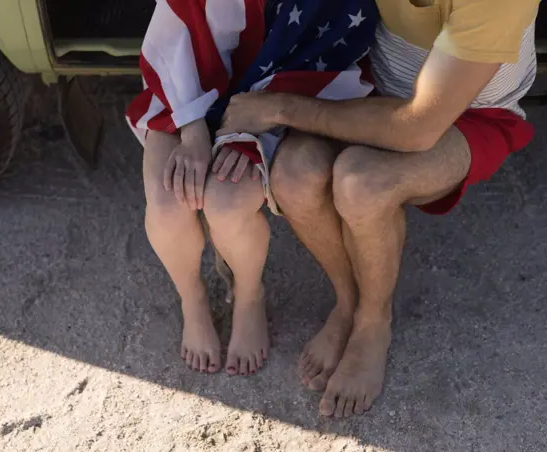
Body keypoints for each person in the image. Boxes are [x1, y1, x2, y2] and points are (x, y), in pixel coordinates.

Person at [218, 0, 540, 416]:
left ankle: (373, 323)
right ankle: (347, 302)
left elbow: (419, 126)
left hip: (471, 115)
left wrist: (280, 107)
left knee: (363, 183)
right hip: (371, 87)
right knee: (294, 176)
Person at [126, 0, 376, 376]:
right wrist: (193, 129)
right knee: (167, 203)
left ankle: (248, 296)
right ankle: (192, 299)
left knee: (227, 201)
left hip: (277, 93)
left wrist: (251, 126)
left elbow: (327, 44)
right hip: (183, 80)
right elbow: (177, 26)